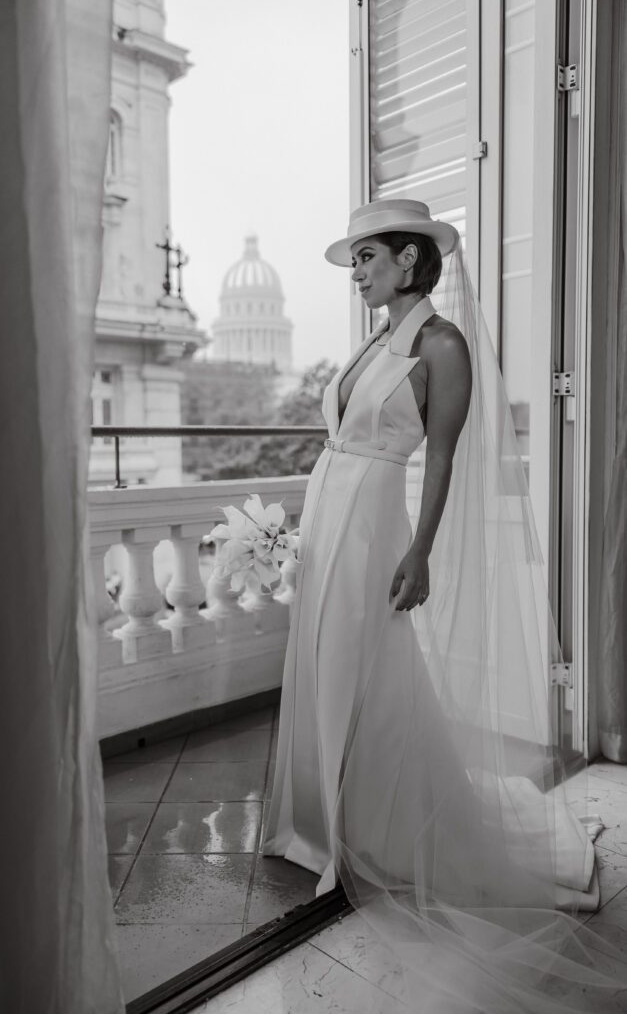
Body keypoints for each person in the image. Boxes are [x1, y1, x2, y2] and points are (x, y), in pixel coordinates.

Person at [262, 199, 627, 1012]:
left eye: (366, 258)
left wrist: (419, 552)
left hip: (377, 523)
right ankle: (323, 821)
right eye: (354, 260)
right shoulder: (372, 341)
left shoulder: (440, 343)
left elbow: (446, 458)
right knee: (325, 662)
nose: (356, 273)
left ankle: (381, 833)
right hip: (331, 519)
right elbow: (338, 443)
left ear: (408, 260)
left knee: (371, 670)